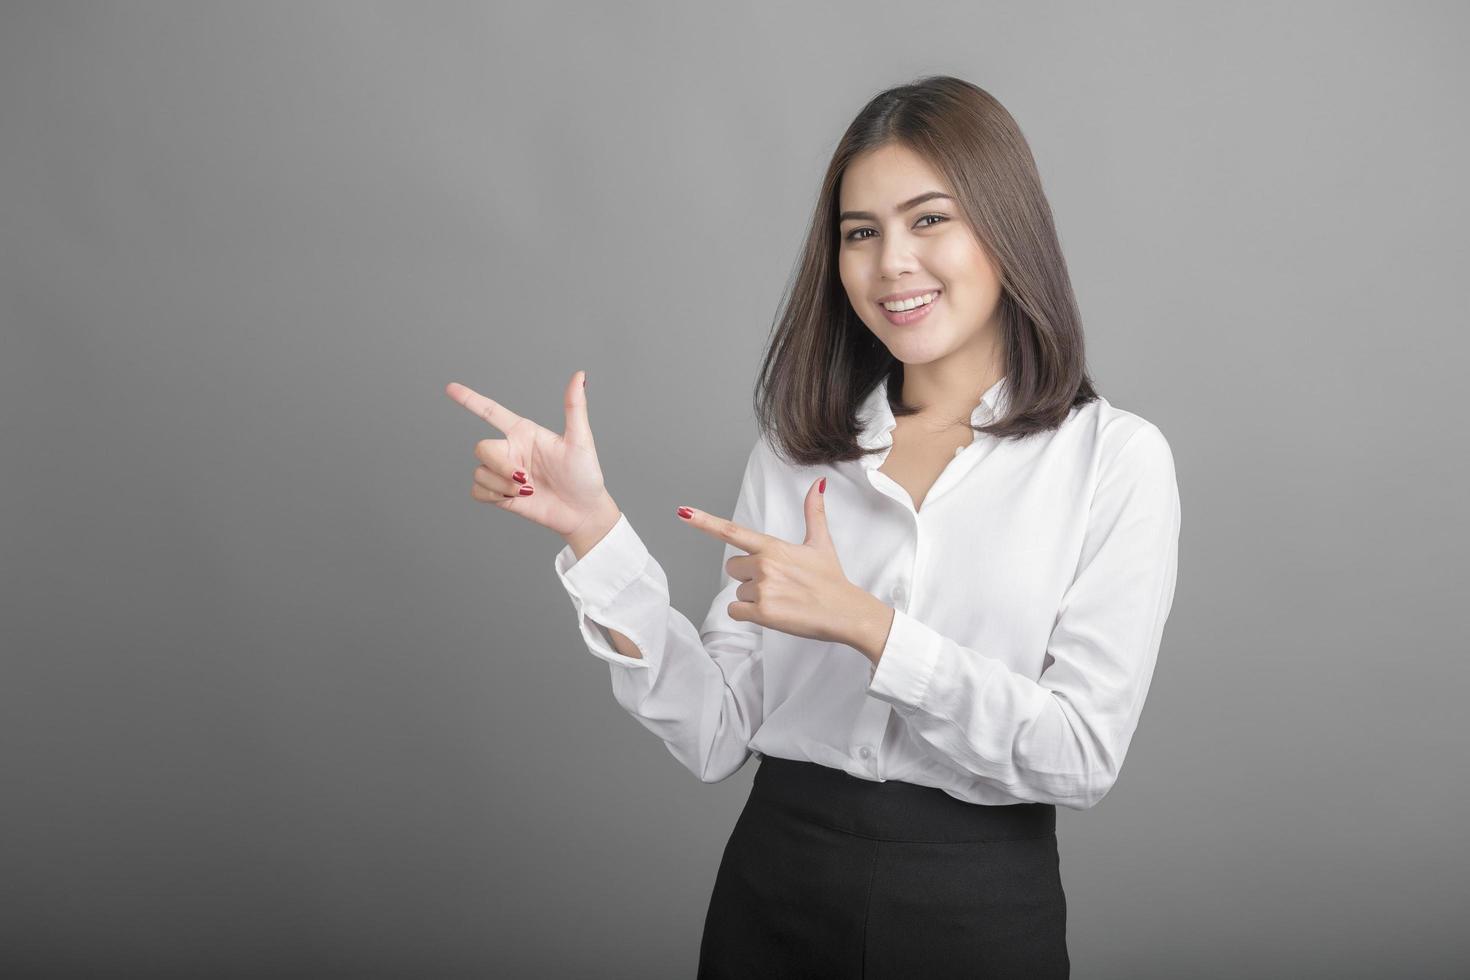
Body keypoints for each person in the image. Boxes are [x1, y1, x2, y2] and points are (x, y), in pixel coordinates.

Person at [445, 74, 1180, 979]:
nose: (892, 264)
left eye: (929, 220)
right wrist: (594, 531)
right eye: (860, 233)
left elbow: (1081, 755)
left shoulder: (1113, 459)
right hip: (776, 889)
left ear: (1006, 229)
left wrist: (866, 625)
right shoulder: (799, 452)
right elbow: (718, 732)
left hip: (977, 907)